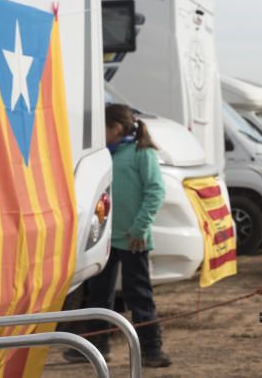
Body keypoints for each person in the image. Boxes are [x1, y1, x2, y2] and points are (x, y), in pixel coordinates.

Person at [65, 104, 171, 367]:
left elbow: (155, 192)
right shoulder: (104, 156)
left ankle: (151, 350)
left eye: (104, 129)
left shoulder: (141, 153)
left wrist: (139, 228)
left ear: (116, 128)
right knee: (98, 296)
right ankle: (97, 347)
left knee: (139, 296)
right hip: (104, 238)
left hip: (134, 238)